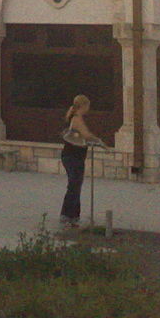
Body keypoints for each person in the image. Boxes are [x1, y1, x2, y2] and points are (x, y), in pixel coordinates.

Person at [60, 94, 105, 228]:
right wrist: (99, 142)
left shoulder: (74, 116)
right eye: (88, 106)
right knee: (74, 184)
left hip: (75, 155)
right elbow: (86, 135)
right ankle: (67, 215)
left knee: (76, 184)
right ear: (83, 106)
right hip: (72, 156)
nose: (88, 109)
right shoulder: (76, 118)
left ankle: (74, 215)